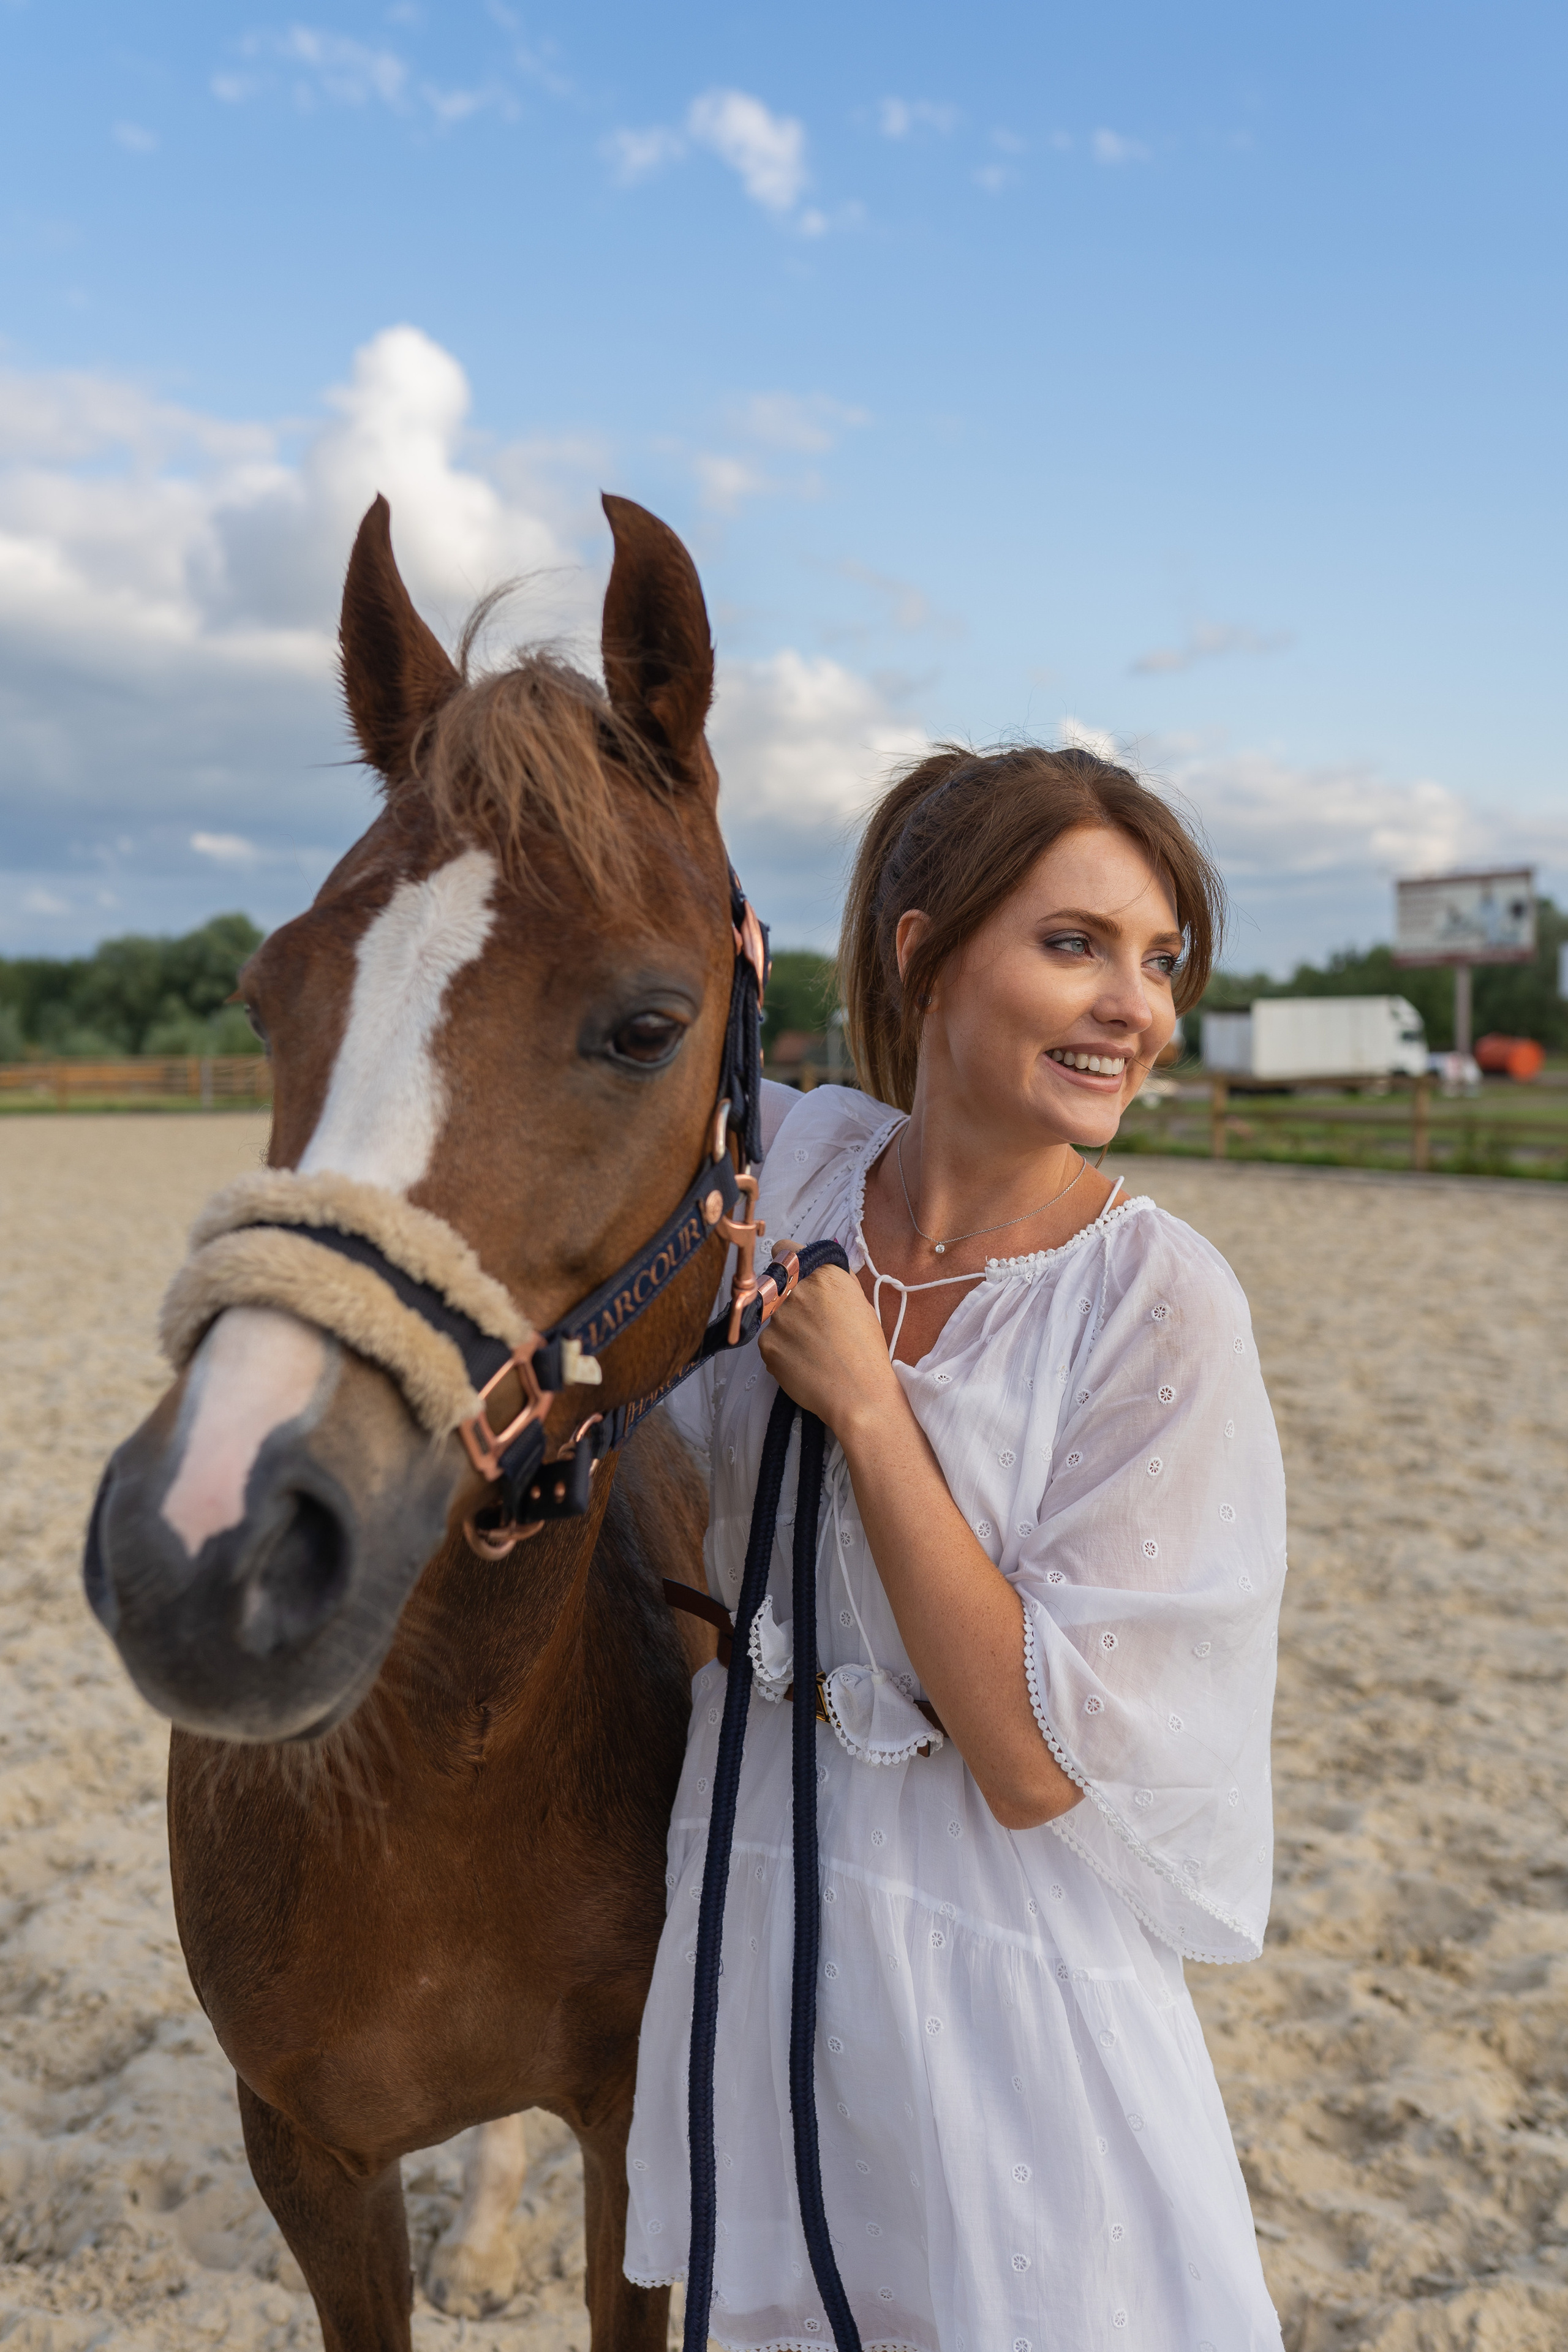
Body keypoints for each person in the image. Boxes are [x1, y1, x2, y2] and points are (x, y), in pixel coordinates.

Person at [626, 744, 1287, 2352]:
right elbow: (600, 1056)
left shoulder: (1158, 1303)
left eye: (1159, 959)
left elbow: (1032, 1762)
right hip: (760, 1926)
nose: (1135, 1002)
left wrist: (870, 1412)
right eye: (1075, 944)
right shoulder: (797, 1168)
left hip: (1003, 1991)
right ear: (923, 955)